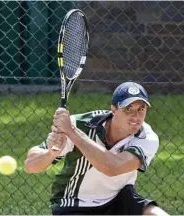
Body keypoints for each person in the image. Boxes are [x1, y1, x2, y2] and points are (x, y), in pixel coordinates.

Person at [24, 81, 169, 215]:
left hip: (118, 198)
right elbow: (30, 166)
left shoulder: (146, 137)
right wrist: (51, 153)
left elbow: (112, 167)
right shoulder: (81, 124)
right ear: (113, 110)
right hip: (75, 203)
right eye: (128, 109)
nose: (135, 116)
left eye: (141, 109)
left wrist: (72, 132)